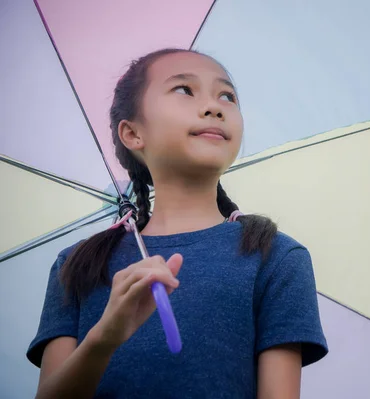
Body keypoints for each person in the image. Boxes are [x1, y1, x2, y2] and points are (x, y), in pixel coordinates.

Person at [26, 48, 328, 398]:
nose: (215, 107)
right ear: (133, 134)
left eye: (227, 96)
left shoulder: (274, 256)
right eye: (184, 90)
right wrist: (103, 338)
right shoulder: (77, 264)